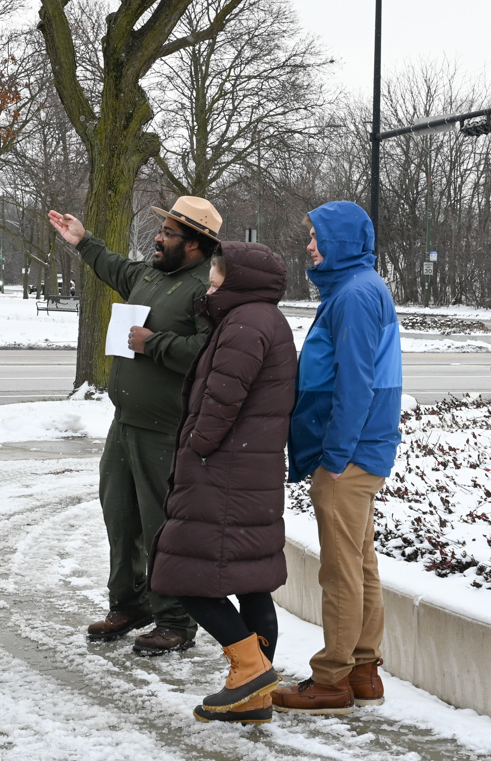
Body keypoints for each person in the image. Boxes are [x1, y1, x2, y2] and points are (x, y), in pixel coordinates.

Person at [48, 197, 219, 655]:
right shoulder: (148, 275)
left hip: (165, 429)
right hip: (124, 423)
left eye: (169, 233)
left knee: (161, 525)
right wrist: (83, 241)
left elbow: (209, 352)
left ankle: (176, 621)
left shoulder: (206, 290)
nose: (159, 238)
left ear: (197, 245)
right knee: (120, 518)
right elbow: (113, 267)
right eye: (161, 230)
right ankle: (129, 604)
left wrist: (154, 343)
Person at [148, 241, 297, 725]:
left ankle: (249, 668)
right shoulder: (257, 318)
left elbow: (222, 396)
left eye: (216, 276)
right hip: (247, 469)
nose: (210, 283)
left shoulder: (245, 322)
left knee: (183, 577)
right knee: (252, 583)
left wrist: (197, 445)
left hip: (225, 471)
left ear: (239, 280)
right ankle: (254, 699)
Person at [272, 201, 402, 715]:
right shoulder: (359, 289)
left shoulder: (353, 295)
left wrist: (335, 456)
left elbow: (355, 382)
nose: (309, 246)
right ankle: (364, 670)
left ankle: (331, 680)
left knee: (340, 570)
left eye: (316, 237)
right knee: (361, 562)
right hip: (361, 450)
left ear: (342, 242)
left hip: (348, 455)